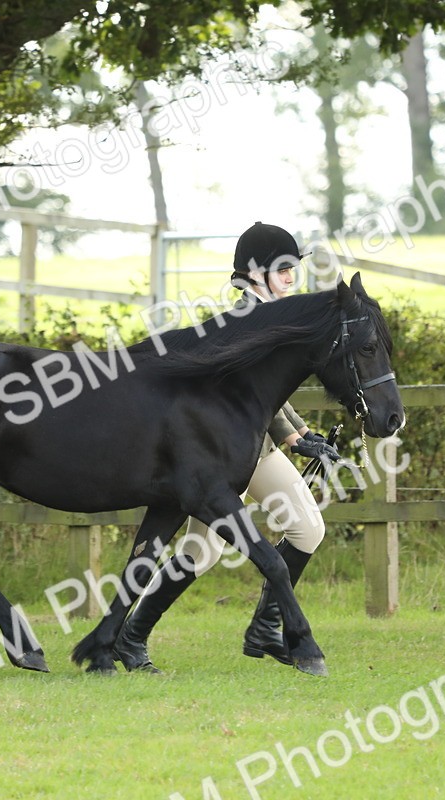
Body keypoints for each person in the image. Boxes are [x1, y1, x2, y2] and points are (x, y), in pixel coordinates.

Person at [112, 221, 339, 673]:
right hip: (224, 454)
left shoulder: (271, 319)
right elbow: (248, 397)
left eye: (294, 269)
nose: (293, 277)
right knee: (206, 551)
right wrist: (293, 436)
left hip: (252, 453)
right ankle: (131, 638)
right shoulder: (239, 323)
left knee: (303, 529)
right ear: (255, 273)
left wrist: (302, 433)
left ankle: (263, 629)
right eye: (284, 269)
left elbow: (274, 395)